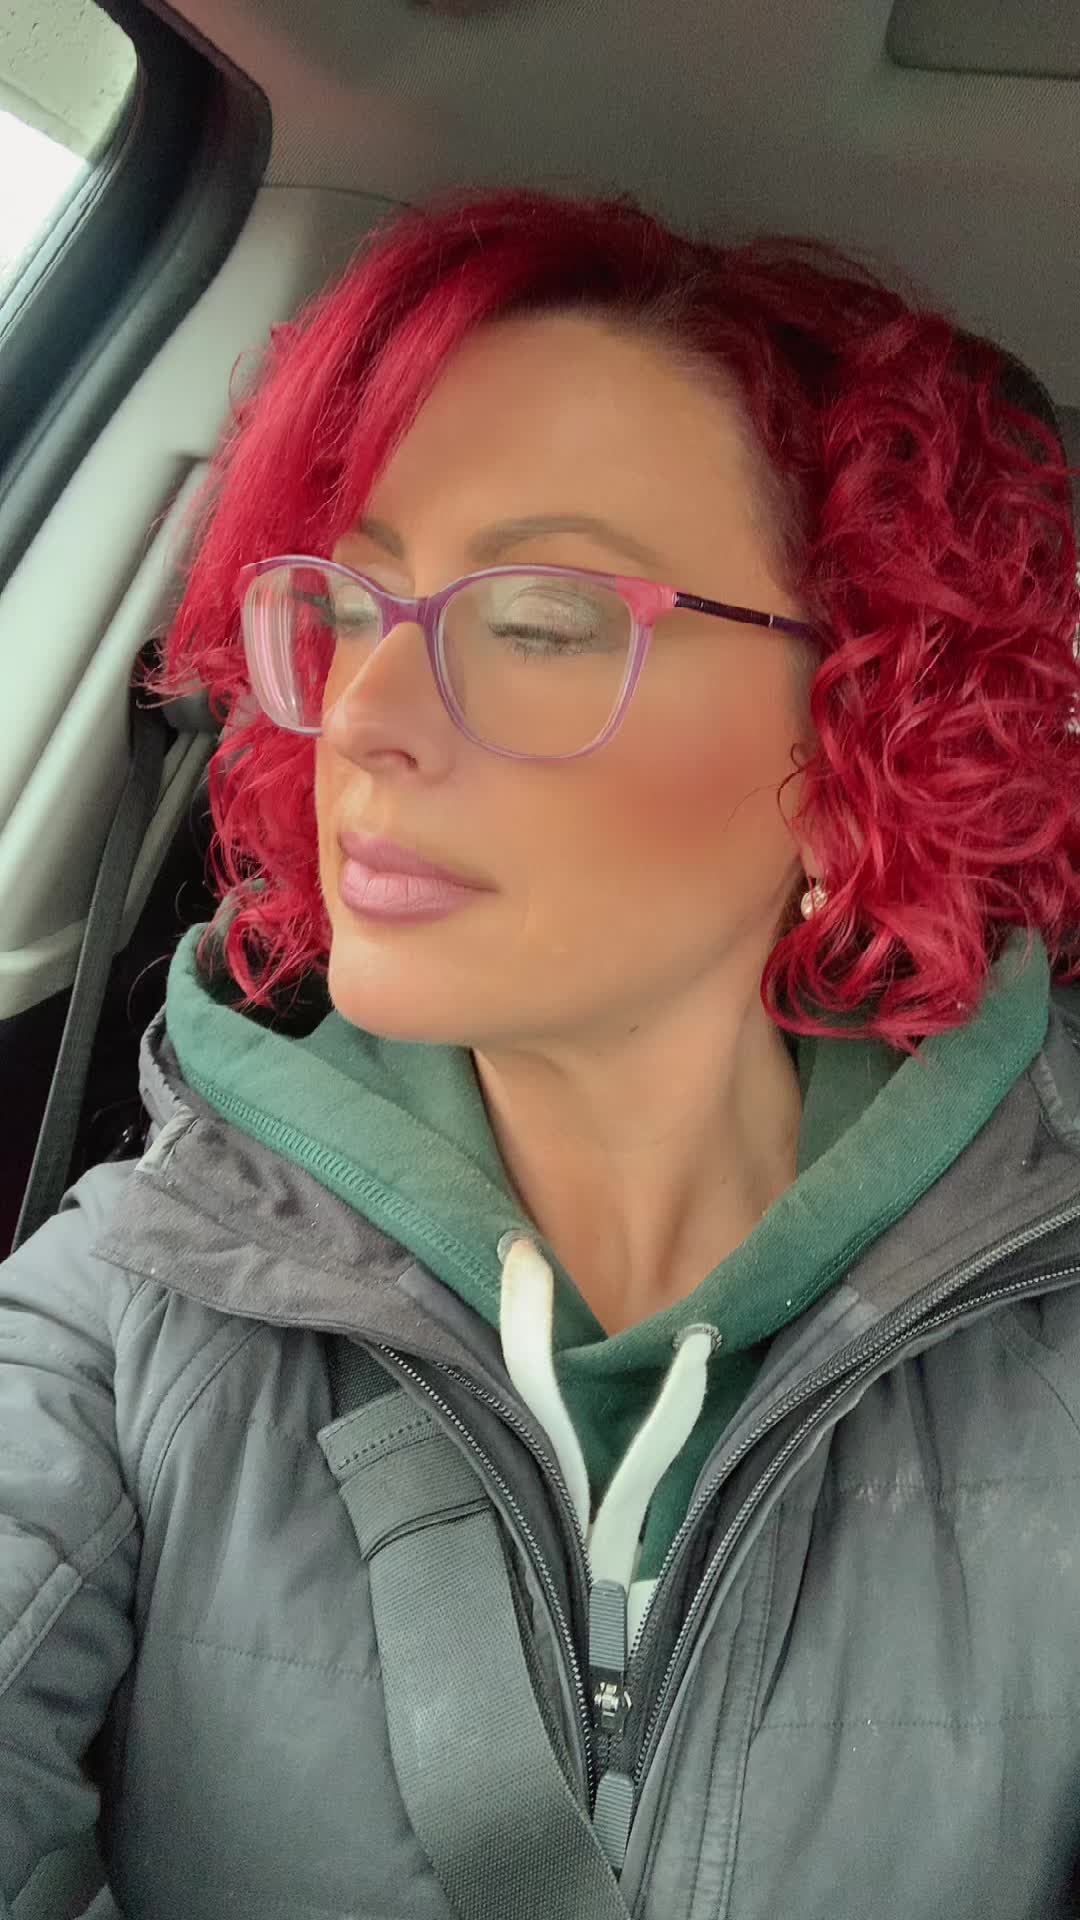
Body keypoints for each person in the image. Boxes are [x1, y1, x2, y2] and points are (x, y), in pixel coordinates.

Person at [3, 184, 1080, 1920]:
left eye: (539, 625)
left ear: (853, 740)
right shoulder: (134, 1313)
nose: (363, 716)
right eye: (355, 611)